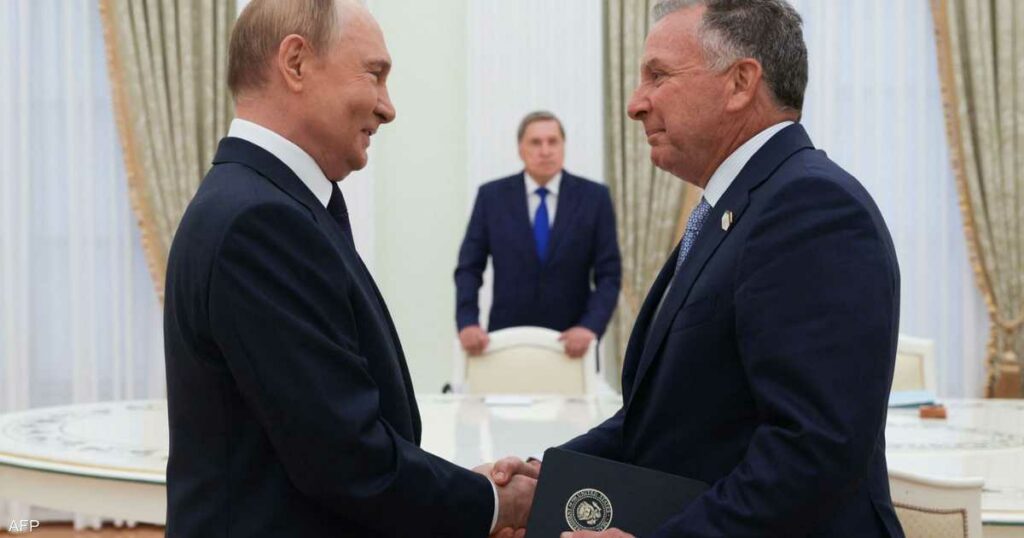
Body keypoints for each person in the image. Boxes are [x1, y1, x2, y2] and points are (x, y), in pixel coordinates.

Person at [495, 1, 905, 536]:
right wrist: (549, 482)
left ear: (740, 83)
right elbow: (665, 419)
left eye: (658, 76)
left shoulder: (811, 208)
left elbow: (812, 451)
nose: (635, 104)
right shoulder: (737, 208)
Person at [163, 1, 534, 536]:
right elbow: (344, 457)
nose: (388, 107)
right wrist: (494, 503)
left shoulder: (262, 201)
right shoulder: (260, 221)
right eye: (374, 74)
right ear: (295, 63)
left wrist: (462, 491)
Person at [455, 112, 622, 359]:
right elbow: (469, 268)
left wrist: (590, 326)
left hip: (572, 345)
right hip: (506, 343)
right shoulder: (491, 197)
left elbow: (609, 275)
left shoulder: (594, 198)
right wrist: (468, 321)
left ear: (563, 146)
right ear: (520, 149)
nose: (545, 151)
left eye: (553, 141)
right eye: (535, 142)